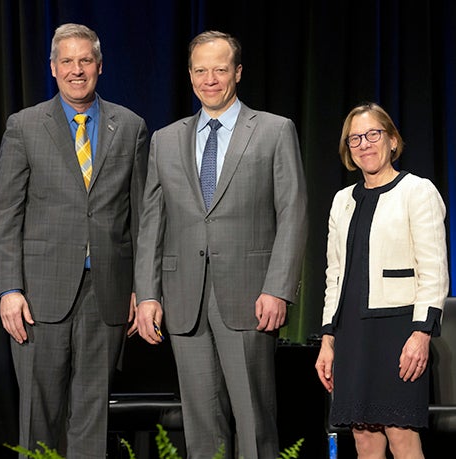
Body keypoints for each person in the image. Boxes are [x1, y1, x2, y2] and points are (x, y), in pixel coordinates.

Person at [134, 30, 308, 458]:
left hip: (250, 296)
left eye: (219, 69)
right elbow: (152, 221)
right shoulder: (166, 138)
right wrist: (147, 295)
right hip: (183, 299)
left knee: (254, 421)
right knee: (200, 423)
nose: (209, 78)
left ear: (238, 72)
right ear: (190, 75)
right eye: (200, 70)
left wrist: (279, 287)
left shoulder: (273, 130)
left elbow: (292, 213)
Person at [0, 23, 148, 458]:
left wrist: (141, 287)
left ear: (100, 66)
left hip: (108, 293)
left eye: (85, 61)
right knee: (38, 414)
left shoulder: (131, 126)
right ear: (53, 68)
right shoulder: (24, 126)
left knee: (92, 413)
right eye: (67, 61)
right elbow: (6, 214)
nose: (76, 70)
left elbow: (142, 216)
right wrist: (9, 289)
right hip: (38, 296)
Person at [314, 102, 449, 458]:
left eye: (373, 134)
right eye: (355, 138)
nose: (364, 143)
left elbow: (434, 270)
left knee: (401, 435)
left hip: (399, 329)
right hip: (352, 331)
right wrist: (328, 338)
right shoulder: (342, 200)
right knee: (363, 438)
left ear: (391, 141)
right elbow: (334, 275)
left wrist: (422, 333)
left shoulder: (416, 191)